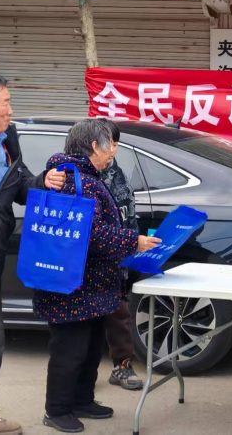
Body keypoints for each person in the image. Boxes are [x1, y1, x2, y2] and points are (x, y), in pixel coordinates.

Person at [33, 119, 161, 433]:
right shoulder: (76, 181)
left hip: (88, 284)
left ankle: (82, 400)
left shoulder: (85, 177)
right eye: (111, 145)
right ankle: (57, 410)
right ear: (94, 146)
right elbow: (90, 234)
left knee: (90, 348)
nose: (113, 152)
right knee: (70, 350)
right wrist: (133, 241)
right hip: (71, 286)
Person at [0, 74, 65, 435]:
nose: (10, 110)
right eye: (4, 103)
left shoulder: (6, 140)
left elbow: (19, 184)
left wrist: (43, 181)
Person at [99, 120, 143, 391]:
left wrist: (131, 246)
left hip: (117, 257)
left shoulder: (118, 174)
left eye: (116, 143)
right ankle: (80, 379)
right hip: (90, 259)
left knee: (119, 314)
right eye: (109, 143)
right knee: (83, 326)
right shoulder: (80, 175)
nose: (113, 149)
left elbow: (130, 214)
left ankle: (122, 366)